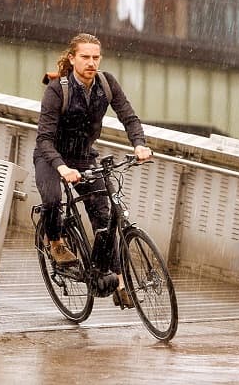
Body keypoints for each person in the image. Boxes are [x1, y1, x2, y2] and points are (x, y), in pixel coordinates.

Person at [33, 33, 152, 308]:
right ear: (72, 58)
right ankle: (55, 241)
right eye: (85, 57)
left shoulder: (106, 84)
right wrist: (62, 167)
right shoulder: (57, 89)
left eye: (95, 57)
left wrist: (140, 145)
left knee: (103, 215)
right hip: (51, 156)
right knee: (52, 199)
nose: (91, 63)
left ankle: (116, 280)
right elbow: (44, 139)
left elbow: (129, 117)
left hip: (84, 157)